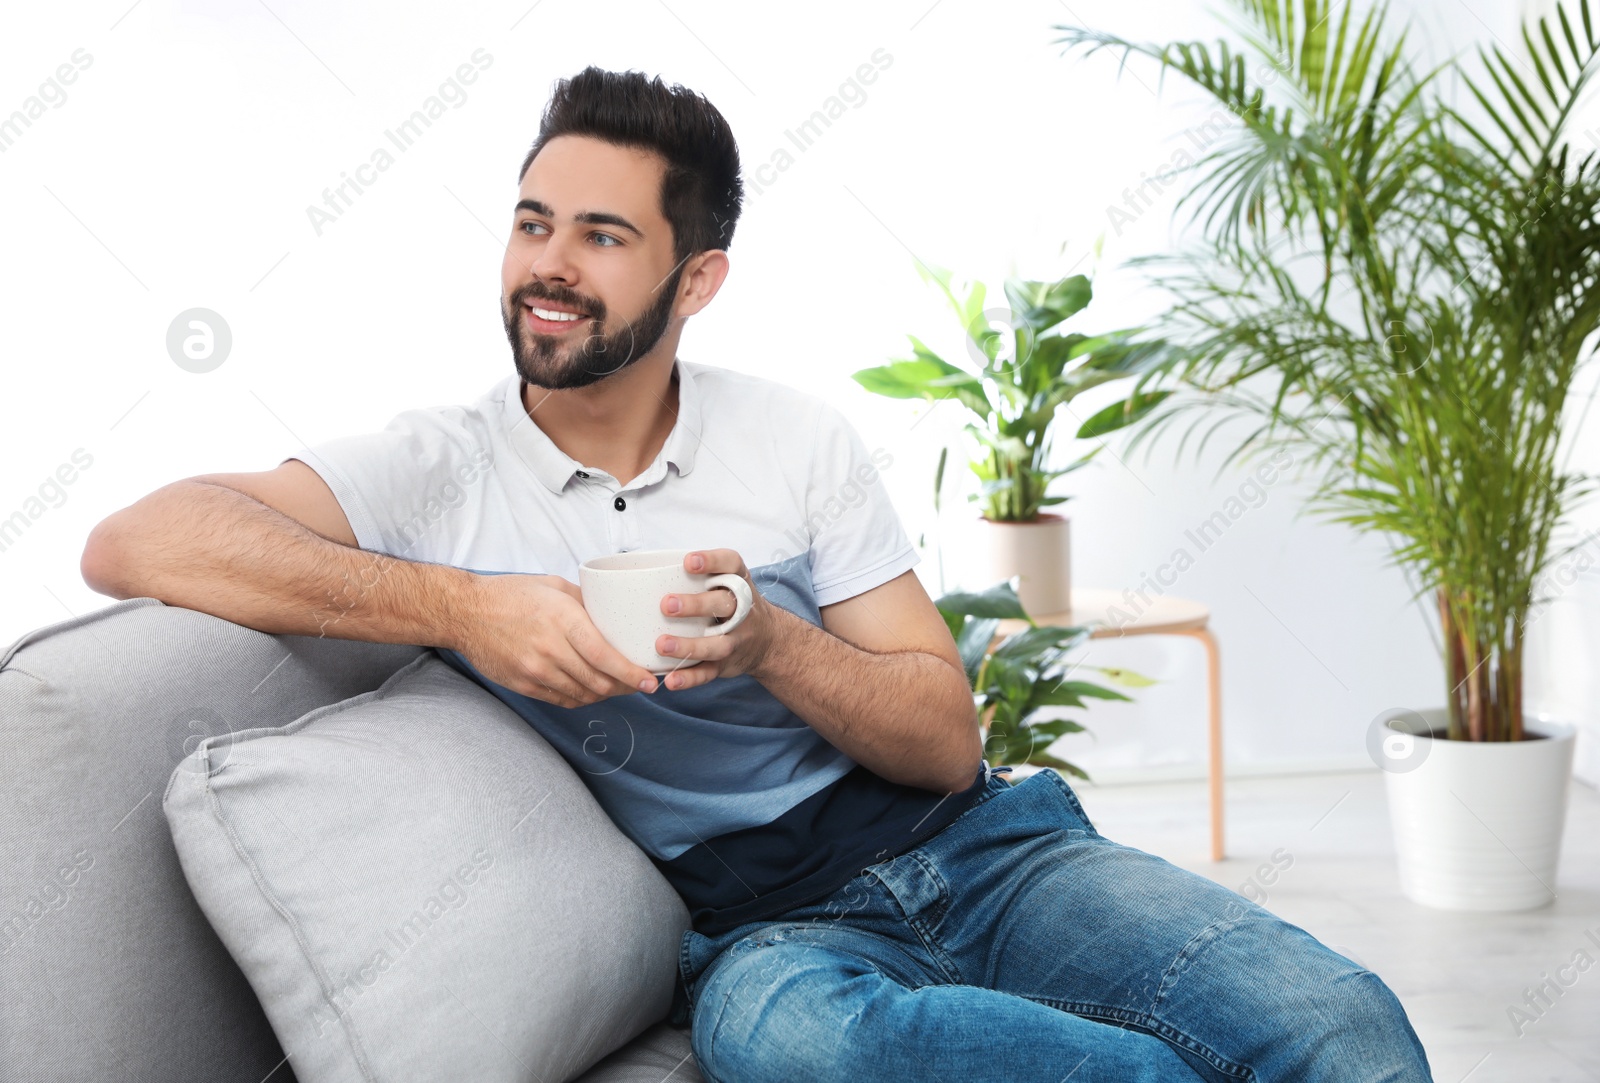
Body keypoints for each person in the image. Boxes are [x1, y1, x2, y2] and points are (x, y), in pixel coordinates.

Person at [81, 65, 1435, 1083]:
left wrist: (772, 645)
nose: (548, 266)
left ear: (697, 278)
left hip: (984, 854)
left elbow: (947, 741)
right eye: (532, 222)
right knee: (831, 1051)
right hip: (758, 938)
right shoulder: (435, 471)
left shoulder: (795, 442)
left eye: (602, 237)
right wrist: (464, 607)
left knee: (1339, 1029)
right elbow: (137, 540)